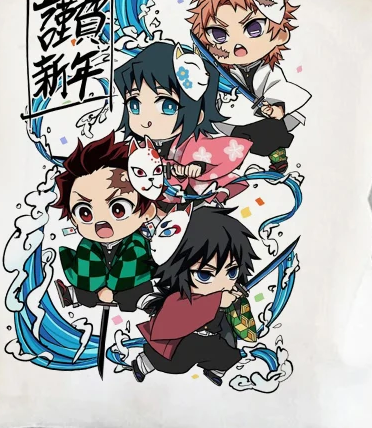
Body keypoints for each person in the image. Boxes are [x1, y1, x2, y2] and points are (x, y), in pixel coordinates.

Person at [187, 0, 311, 173]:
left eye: (254, 28)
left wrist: (275, 109)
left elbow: (279, 89)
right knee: (221, 141)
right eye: (218, 34)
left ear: (280, 35)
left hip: (263, 124)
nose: (237, 45)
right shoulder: (216, 74)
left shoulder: (268, 70)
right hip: (233, 125)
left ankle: (277, 161)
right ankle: (226, 168)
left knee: (272, 131)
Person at [113, 41, 251, 207]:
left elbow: (220, 154)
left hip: (188, 203)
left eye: (167, 106)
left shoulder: (194, 144)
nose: (146, 119)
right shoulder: (136, 148)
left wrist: (197, 166)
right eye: (134, 105)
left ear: (199, 114)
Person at [132, 206, 259, 386]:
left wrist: (235, 299)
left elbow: (238, 321)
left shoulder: (227, 292)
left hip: (212, 337)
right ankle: (144, 363)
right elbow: (171, 322)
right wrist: (217, 301)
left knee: (227, 355)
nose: (222, 283)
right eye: (205, 275)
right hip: (182, 341)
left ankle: (214, 370)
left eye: (231, 272)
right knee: (173, 364)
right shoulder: (178, 298)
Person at [53, 132, 157, 312]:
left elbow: (131, 266)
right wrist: (98, 288)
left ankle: (146, 301)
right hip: (100, 284)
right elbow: (85, 269)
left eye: (118, 209)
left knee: (134, 293)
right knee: (86, 292)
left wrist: (110, 290)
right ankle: (76, 295)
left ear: (147, 211)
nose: (101, 223)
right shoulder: (88, 244)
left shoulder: (136, 243)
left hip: (130, 283)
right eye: (85, 213)